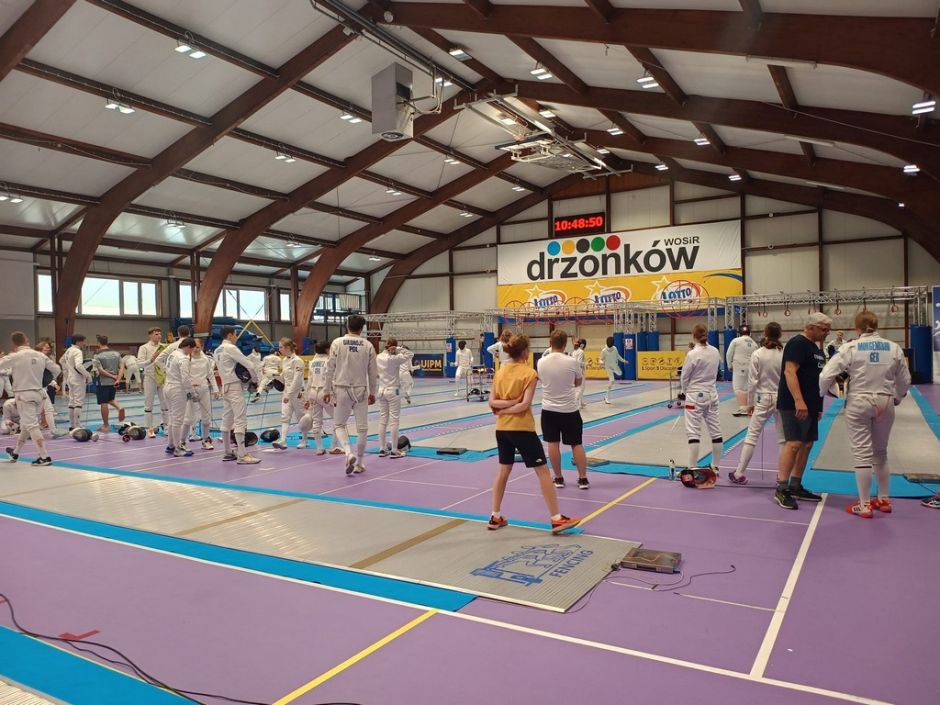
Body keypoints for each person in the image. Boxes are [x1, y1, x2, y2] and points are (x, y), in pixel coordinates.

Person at [819, 312, 910, 518]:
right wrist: (897, 397)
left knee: (862, 454)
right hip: (885, 401)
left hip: (859, 401)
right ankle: (884, 500)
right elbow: (905, 379)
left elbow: (825, 375)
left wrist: (826, 392)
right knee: (881, 452)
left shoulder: (850, 347)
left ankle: (865, 504)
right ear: (876, 326)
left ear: (857, 328)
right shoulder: (893, 347)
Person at [487, 334, 580, 534]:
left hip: (502, 429)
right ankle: (556, 519)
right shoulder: (530, 374)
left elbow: (493, 402)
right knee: (543, 471)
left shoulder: (500, 372)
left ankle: (495, 515)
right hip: (522, 429)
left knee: (503, 471)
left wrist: (503, 410)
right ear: (525, 352)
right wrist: (513, 404)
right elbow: (524, 405)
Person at [774, 312, 830, 510]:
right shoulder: (797, 343)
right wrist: (799, 401)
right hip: (794, 403)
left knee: (807, 444)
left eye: (828, 329)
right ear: (811, 327)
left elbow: (817, 378)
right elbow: (789, 372)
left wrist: (817, 406)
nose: (827, 332)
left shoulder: (815, 348)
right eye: (824, 329)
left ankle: (795, 485)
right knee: (794, 443)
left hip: (812, 404)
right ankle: (782, 488)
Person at [729, 322, 784, 485]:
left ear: (765, 334)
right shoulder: (784, 353)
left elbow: (752, 382)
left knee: (752, 436)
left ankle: (739, 473)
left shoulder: (758, 354)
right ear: (780, 335)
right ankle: (782, 475)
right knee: (783, 439)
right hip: (781, 398)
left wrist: (749, 403)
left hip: (763, 398)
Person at [324, 315, 377, 475]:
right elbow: (372, 372)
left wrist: (326, 390)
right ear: (362, 328)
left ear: (347, 326)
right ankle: (359, 463)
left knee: (339, 425)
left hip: (342, 388)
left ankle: (348, 452)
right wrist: (373, 392)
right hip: (361, 389)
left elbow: (329, 368)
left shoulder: (337, 342)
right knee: (362, 429)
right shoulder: (368, 345)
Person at [538, 330, 589, 490]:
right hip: (569, 410)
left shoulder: (541, 362)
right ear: (565, 344)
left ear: (550, 343)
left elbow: (542, 380)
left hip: (549, 410)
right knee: (576, 444)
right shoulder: (572, 361)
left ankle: (558, 478)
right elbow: (578, 382)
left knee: (553, 443)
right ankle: (583, 479)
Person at [1, 331, 61, 465]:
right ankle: (15, 452)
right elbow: (57, 369)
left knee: (31, 425)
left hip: (24, 395)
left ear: (14, 343)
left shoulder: (14, 356)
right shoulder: (40, 355)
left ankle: (44, 457)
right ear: (26, 340)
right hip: (39, 394)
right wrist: (45, 380)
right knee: (26, 424)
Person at [680, 324, 724, 473]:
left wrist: (685, 392)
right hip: (712, 394)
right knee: (716, 431)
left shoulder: (692, 354)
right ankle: (715, 466)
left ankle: (692, 467)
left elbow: (684, 377)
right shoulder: (715, 351)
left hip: (695, 396)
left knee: (693, 432)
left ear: (694, 336)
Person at [214, 326, 260, 464]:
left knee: (227, 420)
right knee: (240, 420)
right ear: (229, 335)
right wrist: (255, 381)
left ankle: (227, 452)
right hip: (234, 387)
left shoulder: (217, 350)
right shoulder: (231, 348)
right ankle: (242, 455)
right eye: (235, 334)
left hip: (225, 387)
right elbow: (249, 364)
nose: (236, 337)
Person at [374, 337, 412, 458]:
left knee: (382, 420)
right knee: (394, 421)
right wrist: (398, 349)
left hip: (381, 391)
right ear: (394, 347)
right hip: (392, 391)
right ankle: (394, 450)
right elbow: (410, 354)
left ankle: (382, 448)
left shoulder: (378, 357)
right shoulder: (394, 359)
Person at [303, 341, 342, 454]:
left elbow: (309, 381)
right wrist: (335, 395)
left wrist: (306, 398)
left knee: (317, 421)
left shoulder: (312, 362)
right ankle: (334, 446)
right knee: (338, 419)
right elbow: (332, 380)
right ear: (326, 349)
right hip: (325, 393)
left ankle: (319, 448)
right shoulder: (329, 361)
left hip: (313, 392)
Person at [163, 337, 197, 457]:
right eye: (191, 350)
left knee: (172, 418)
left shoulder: (172, 354)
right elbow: (185, 378)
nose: (191, 353)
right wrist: (192, 392)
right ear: (188, 347)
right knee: (177, 420)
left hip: (167, 387)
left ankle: (171, 445)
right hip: (177, 390)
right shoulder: (183, 358)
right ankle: (178, 448)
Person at [185, 338, 219, 450]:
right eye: (193, 347)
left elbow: (210, 375)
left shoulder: (206, 360)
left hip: (204, 390)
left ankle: (205, 440)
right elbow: (184, 376)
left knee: (206, 418)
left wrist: (216, 390)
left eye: (197, 347)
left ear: (202, 347)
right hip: (190, 391)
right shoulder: (186, 359)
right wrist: (189, 387)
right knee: (188, 418)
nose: (195, 349)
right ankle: (183, 442)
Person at [272, 338, 305, 450]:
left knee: (301, 417)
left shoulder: (298, 361)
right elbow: (284, 378)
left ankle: (304, 440)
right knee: (285, 416)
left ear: (287, 348)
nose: (279, 349)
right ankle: (283, 441)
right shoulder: (284, 360)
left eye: (281, 347)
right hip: (287, 393)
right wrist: (273, 376)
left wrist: (289, 394)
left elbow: (297, 380)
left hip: (297, 393)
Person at [138, 327, 168, 438]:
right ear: (150, 335)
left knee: (165, 403)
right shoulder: (144, 348)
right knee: (148, 404)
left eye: (160, 334)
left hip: (162, 378)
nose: (159, 336)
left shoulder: (164, 347)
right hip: (150, 377)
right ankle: (150, 429)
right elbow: (139, 364)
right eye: (156, 334)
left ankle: (166, 427)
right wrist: (151, 360)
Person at [92, 335, 125, 432]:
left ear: (98, 343)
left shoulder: (97, 355)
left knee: (103, 403)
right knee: (111, 399)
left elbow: (100, 370)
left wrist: (113, 377)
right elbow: (122, 367)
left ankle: (106, 425)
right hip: (113, 382)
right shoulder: (116, 353)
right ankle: (120, 407)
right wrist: (118, 379)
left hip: (103, 382)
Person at [59, 334, 92, 431]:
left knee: (72, 401)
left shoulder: (69, 350)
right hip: (78, 379)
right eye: (83, 341)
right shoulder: (77, 351)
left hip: (70, 378)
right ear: (78, 342)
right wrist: (88, 375)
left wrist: (68, 371)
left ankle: (72, 425)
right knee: (78, 402)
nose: (84, 343)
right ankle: (77, 425)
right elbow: (79, 366)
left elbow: (61, 361)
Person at [34, 339, 64, 437]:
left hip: (38, 388)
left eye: (48, 347)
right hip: (38, 388)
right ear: (40, 348)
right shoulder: (41, 359)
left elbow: (45, 375)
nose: (48, 349)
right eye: (46, 347)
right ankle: (52, 430)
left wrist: (53, 383)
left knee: (42, 410)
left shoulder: (38, 359)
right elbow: (48, 374)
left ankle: (33, 430)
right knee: (43, 410)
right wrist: (53, 382)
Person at [726, 324, 758, 416]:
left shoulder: (736, 340)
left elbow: (729, 354)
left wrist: (729, 365)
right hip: (751, 367)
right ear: (749, 333)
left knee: (739, 388)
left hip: (740, 366)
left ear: (739, 333)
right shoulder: (754, 343)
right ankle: (750, 407)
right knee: (748, 387)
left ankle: (743, 408)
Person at [600, 336, 628, 404]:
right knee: (612, 381)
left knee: (619, 374)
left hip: (614, 366)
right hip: (608, 367)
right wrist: (601, 362)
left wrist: (624, 361)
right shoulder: (604, 351)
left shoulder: (615, 348)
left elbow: (618, 356)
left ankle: (606, 396)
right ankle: (607, 398)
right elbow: (600, 359)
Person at [571, 337, 587, 409]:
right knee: (581, 388)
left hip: (574, 372)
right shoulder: (581, 352)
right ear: (582, 345)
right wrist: (585, 364)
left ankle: (581, 402)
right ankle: (577, 404)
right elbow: (579, 362)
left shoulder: (574, 352)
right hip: (580, 372)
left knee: (579, 388)